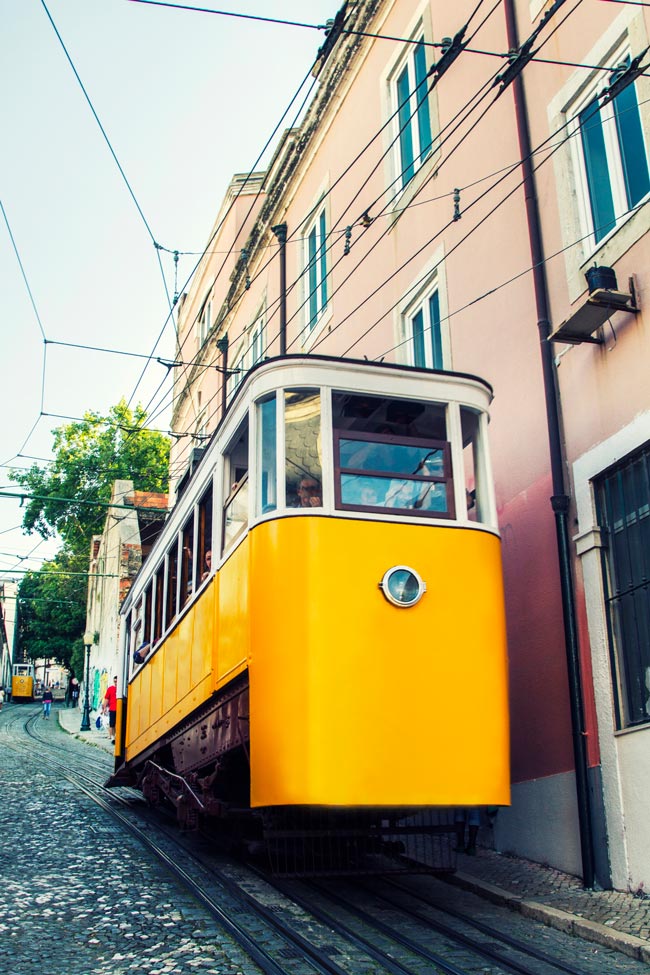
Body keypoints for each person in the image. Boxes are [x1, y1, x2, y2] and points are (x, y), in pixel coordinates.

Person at [102, 676, 118, 743]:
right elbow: (106, 699)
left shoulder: (122, 689)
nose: (116, 682)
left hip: (120, 708)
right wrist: (104, 708)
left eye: (117, 681)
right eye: (115, 681)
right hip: (113, 708)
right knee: (112, 723)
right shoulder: (110, 689)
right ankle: (112, 737)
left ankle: (117, 736)